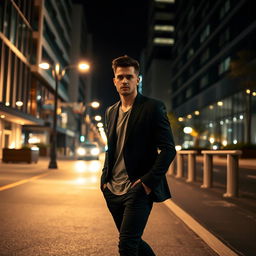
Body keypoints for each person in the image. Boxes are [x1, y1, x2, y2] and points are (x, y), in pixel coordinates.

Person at [101, 55, 176, 256]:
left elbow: (169, 149)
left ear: (138, 79)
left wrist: (147, 182)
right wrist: (104, 180)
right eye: (120, 77)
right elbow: (112, 149)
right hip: (112, 190)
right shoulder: (110, 111)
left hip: (138, 188)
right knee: (133, 242)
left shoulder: (153, 107)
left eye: (129, 77)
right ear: (114, 81)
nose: (125, 81)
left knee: (127, 245)